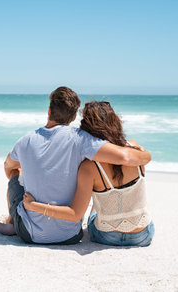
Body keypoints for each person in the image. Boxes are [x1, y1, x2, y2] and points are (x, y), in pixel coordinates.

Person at [0, 87, 151, 245]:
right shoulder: (82, 139)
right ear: (73, 118)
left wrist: (26, 175)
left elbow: (8, 166)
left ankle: (12, 221)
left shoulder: (25, 141)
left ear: (49, 111)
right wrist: (146, 155)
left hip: (29, 235)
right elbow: (124, 156)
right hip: (71, 235)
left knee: (16, 174)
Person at [22, 101, 154, 247]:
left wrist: (34, 206)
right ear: (116, 122)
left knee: (96, 199)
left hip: (107, 236)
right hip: (142, 235)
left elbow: (75, 214)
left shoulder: (89, 167)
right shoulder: (136, 150)